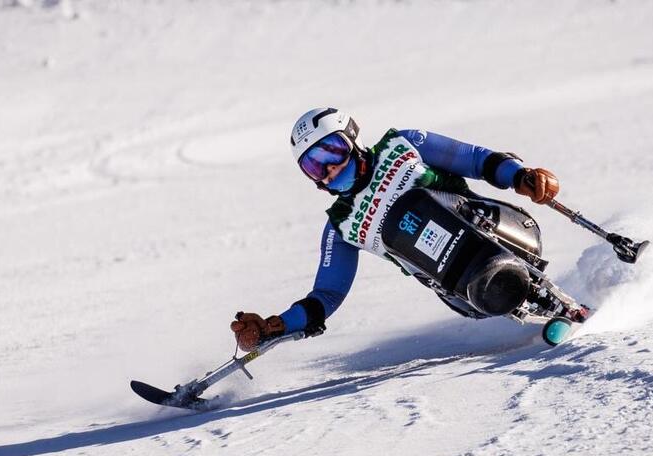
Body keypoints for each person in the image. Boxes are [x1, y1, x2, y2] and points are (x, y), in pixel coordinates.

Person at [230, 107, 560, 351]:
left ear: (352, 139)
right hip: (466, 290)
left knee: (416, 203)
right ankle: (518, 297)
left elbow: (475, 160)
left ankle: (542, 294)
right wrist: (279, 325)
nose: (329, 168)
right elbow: (327, 294)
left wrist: (519, 175)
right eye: (313, 165)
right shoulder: (342, 224)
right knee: (402, 226)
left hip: (506, 233)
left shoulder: (403, 146)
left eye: (332, 150)